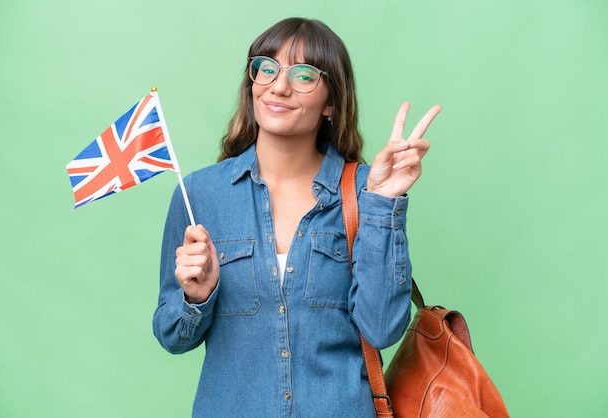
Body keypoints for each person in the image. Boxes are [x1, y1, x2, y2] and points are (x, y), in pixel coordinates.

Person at [153, 17, 441, 417]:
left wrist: (381, 204)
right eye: (266, 68)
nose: (279, 85)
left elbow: (382, 329)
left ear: (331, 103)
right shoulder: (200, 195)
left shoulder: (365, 192)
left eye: (304, 74)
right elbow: (172, 335)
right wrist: (195, 298)